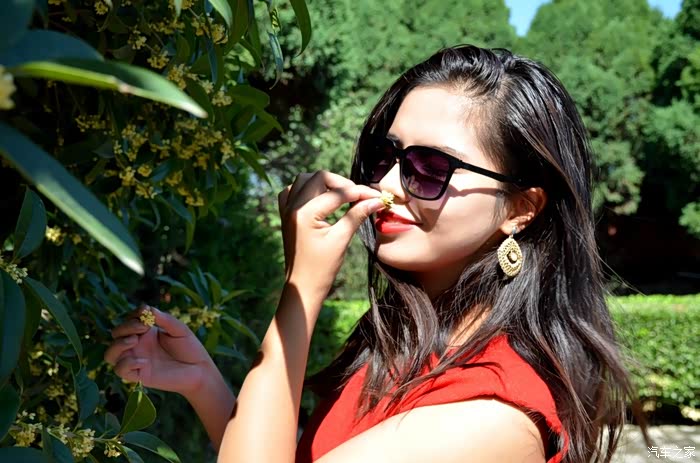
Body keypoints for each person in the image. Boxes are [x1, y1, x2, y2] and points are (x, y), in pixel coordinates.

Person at [105, 45, 650, 463]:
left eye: (431, 168)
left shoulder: (492, 416)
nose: (386, 185)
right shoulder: (404, 338)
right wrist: (205, 383)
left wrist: (302, 292)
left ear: (520, 208)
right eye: (385, 155)